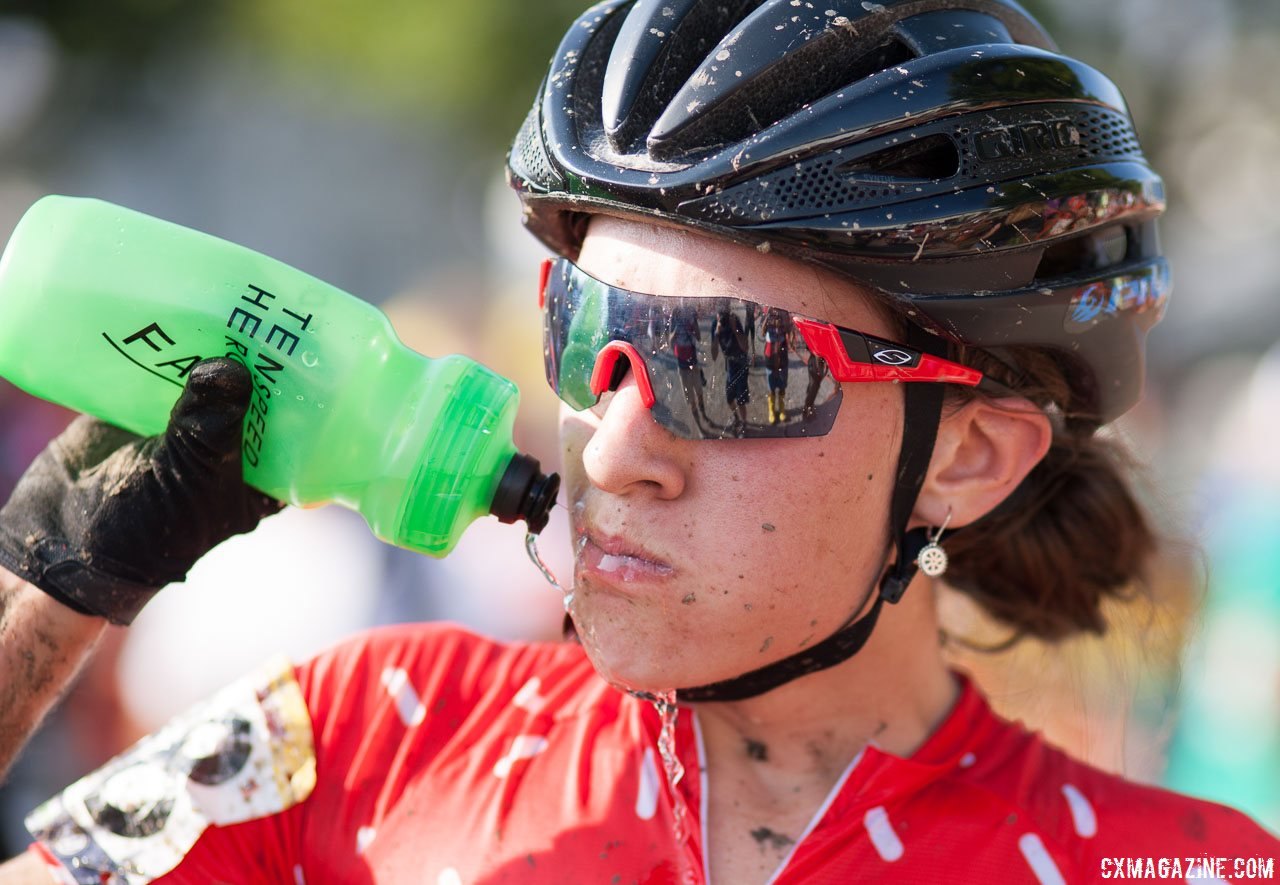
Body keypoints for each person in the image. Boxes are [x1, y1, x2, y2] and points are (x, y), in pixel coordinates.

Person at [0, 1, 1276, 883]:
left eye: (735, 366)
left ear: (967, 458)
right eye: (584, 330)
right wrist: (50, 588)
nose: (614, 448)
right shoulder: (369, 732)